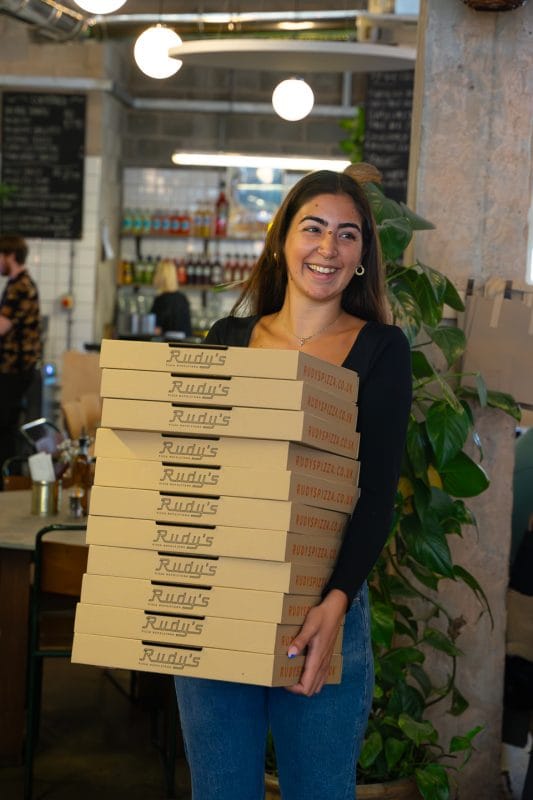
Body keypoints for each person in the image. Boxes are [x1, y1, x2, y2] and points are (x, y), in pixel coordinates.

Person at [173, 168, 412, 800]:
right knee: (220, 791)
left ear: (362, 256)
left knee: (319, 791)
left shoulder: (382, 349)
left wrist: (335, 604)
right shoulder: (228, 339)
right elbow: (195, 470)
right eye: (313, 228)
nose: (328, 248)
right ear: (283, 241)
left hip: (323, 608)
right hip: (222, 598)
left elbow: (376, 494)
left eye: (347, 234)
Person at [0, 234, 42, 474]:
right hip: (15, 369)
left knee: (5, 429)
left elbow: (2, 326)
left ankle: (8, 481)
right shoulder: (18, 284)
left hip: (15, 370)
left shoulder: (20, 287)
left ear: (10, 256)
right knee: (7, 428)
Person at [150, 258, 192, 337]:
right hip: (185, 341)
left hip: (165, 342)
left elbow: (156, 329)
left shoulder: (160, 300)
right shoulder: (182, 298)